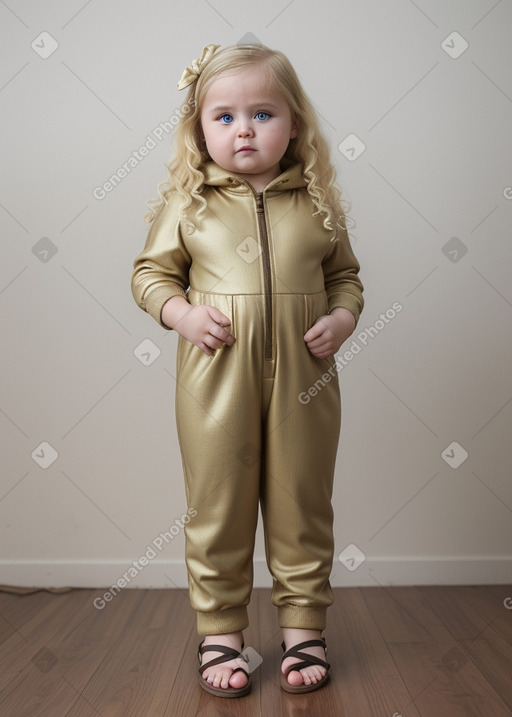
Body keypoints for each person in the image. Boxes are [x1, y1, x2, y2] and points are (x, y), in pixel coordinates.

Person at [131, 42, 364, 698]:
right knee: (218, 503)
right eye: (225, 117)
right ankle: (221, 633)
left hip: (306, 380)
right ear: (199, 128)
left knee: (302, 498)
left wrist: (342, 321)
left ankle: (302, 627)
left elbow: (346, 278)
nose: (244, 130)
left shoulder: (316, 202)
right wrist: (181, 315)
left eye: (262, 114)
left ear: (294, 123)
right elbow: (149, 274)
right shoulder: (191, 201)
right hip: (215, 378)